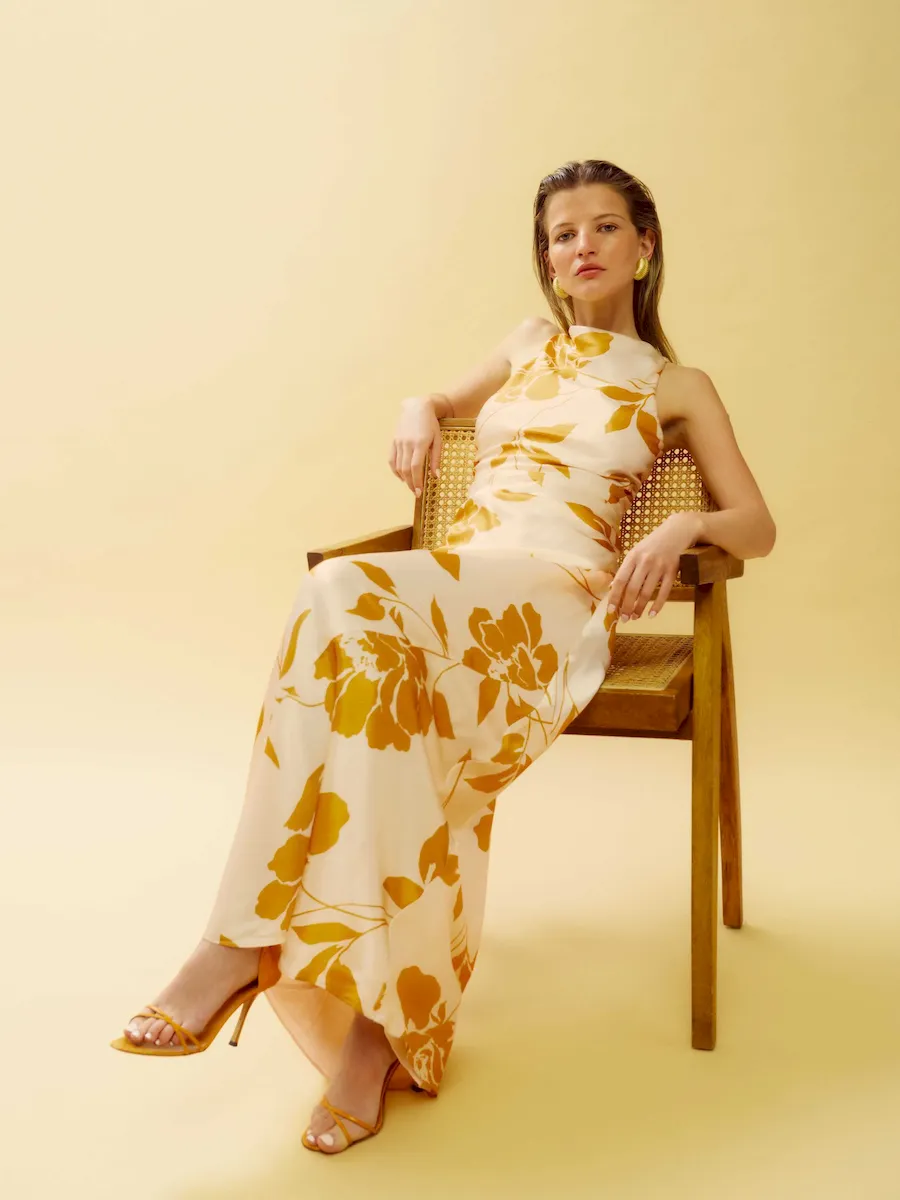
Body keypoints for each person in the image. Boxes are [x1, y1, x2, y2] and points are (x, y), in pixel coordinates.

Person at [110, 158, 776, 1155]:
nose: (581, 246)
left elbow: (757, 524)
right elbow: (441, 399)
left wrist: (684, 530)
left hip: (549, 607)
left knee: (340, 590)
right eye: (561, 234)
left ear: (645, 247)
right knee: (370, 684)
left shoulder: (677, 385)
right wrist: (417, 405)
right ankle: (377, 1032)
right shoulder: (525, 344)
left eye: (604, 227)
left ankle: (242, 941)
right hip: (453, 592)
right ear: (547, 258)